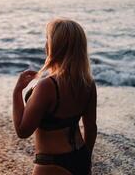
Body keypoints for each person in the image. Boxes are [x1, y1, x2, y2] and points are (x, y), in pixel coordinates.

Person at [12, 18, 97, 175]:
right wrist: (86, 159)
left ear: (55, 47)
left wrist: (17, 92)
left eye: (47, 40)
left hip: (52, 162)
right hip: (80, 157)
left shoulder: (47, 86)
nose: (45, 44)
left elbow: (22, 131)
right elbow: (91, 128)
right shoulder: (88, 84)